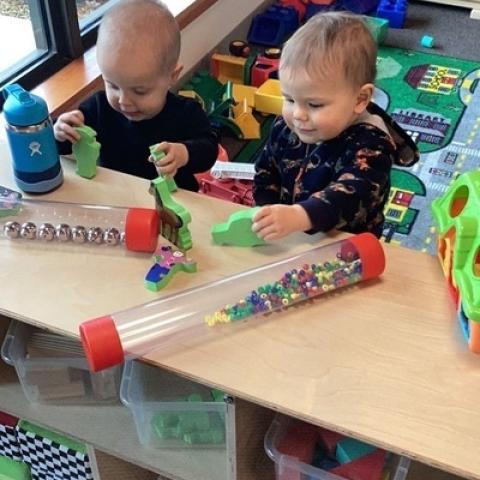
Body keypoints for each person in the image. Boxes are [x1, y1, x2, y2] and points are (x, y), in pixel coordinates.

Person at [252, 11, 419, 241]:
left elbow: (349, 197)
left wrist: (300, 216)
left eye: (314, 104)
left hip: (346, 247)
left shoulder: (373, 147)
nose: (298, 114)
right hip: (289, 235)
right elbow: (266, 170)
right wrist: (265, 209)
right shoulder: (286, 126)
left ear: (360, 99)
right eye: (289, 99)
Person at [54, 0, 218, 191]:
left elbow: (209, 150)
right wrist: (61, 132)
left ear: (171, 77)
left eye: (139, 91)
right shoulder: (97, 107)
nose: (123, 101)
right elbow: (64, 148)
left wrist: (184, 153)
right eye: (112, 85)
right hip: (115, 194)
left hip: (172, 203)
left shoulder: (186, 113)